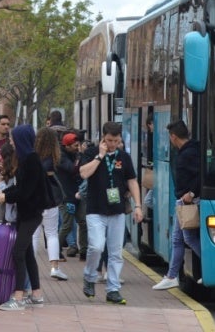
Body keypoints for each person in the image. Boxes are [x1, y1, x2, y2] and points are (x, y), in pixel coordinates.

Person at [80, 121, 143, 305]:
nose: (113, 144)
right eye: (109, 140)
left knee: (115, 252)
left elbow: (132, 181)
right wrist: (100, 156)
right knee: (96, 246)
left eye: (116, 141)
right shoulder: (91, 153)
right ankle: (89, 277)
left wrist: (138, 206)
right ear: (103, 138)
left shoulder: (124, 157)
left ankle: (113, 289)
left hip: (117, 211)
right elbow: (84, 173)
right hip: (95, 210)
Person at [0, 124, 49, 310]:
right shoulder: (25, 159)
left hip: (32, 213)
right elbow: (20, 187)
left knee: (18, 252)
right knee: (28, 253)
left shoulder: (31, 160)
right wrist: (4, 193)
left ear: (21, 139)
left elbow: (25, 191)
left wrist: (5, 197)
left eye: (13, 138)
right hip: (26, 213)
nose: (11, 141)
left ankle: (18, 296)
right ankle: (36, 294)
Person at [152, 120, 202, 291]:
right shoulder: (191, 150)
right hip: (184, 200)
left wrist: (192, 193)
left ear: (173, 136)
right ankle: (171, 276)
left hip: (188, 201)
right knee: (178, 240)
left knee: (187, 238)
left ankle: (211, 264)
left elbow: (200, 176)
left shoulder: (188, 154)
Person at [31, 127, 68, 280]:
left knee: (34, 234)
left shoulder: (32, 157)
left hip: (34, 199)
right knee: (52, 233)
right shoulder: (54, 158)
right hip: (50, 199)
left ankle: (30, 267)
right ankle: (54, 268)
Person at [56, 132, 83, 259]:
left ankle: (84, 250)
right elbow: (72, 169)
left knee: (83, 222)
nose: (77, 148)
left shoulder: (73, 154)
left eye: (78, 145)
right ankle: (56, 250)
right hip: (66, 196)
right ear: (66, 146)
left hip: (78, 194)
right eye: (75, 146)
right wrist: (80, 156)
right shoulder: (60, 156)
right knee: (66, 225)